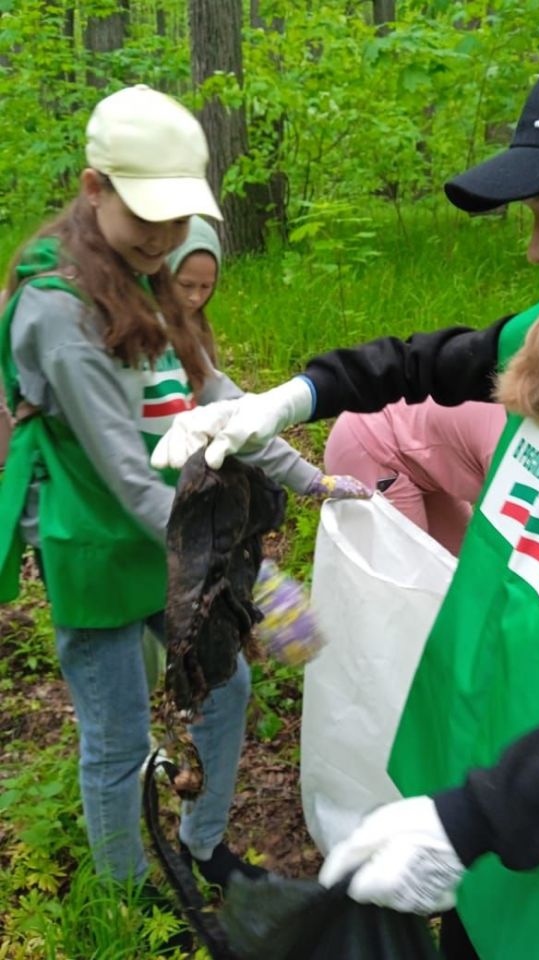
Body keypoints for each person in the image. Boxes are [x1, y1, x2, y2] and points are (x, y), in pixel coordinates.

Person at [151, 30, 539, 960]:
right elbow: (424, 361)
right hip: (484, 811)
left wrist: (469, 820)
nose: (536, 248)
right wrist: (291, 399)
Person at [0, 83, 367, 945]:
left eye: (177, 222)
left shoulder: (148, 280)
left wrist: (312, 483)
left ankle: (201, 850)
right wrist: (255, 578)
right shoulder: (59, 310)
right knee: (119, 737)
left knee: (227, 691)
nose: (165, 241)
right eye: (147, 220)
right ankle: (132, 899)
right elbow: (127, 477)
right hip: (103, 549)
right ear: (94, 190)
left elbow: (222, 406)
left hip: (174, 543)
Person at [324, 399, 506, 555]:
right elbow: (508, 542)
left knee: (463, 563)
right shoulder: (507, 447)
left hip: (423, 456)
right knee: (410, 575)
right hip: (370, 448)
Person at [167, 213, 222, 366]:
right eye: (186, 285)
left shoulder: (201, 329)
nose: (195, 297)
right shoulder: (140, 324)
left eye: (206, 286)